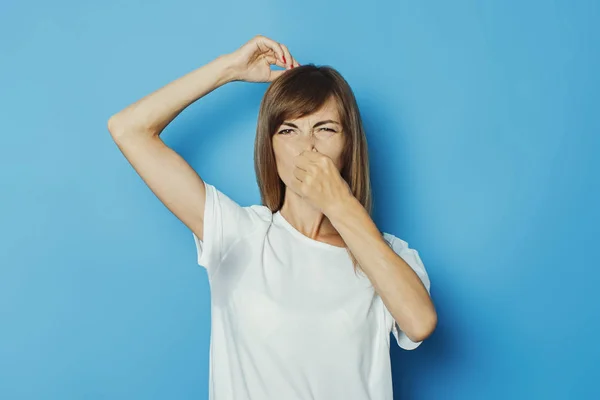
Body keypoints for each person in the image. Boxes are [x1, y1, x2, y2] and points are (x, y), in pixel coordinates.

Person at [107, 35, 437, 400]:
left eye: (325, 129)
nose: (307, 146)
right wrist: (228, 68)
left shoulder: (386, 254)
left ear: (349, 145)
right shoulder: (238, 234)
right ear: (271, 147)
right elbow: (128, 129)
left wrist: (340, 204)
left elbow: (419, 322)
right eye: (288, 130)